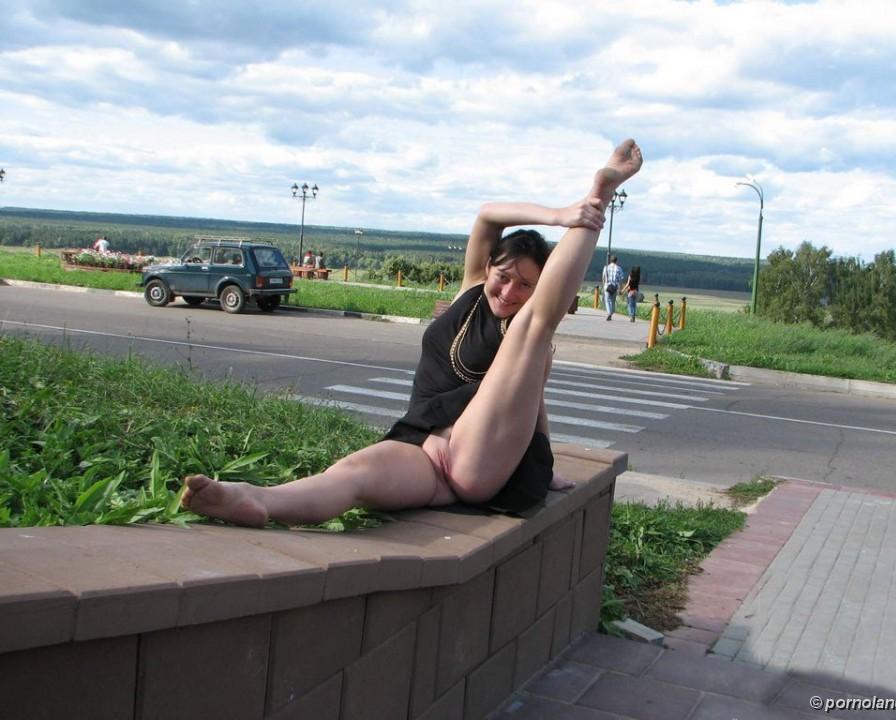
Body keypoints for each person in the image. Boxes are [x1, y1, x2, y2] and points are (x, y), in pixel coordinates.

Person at [181, 139, 643, 527]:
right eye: (505, 276)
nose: (510, 290)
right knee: (355, 472)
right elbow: (487, 216)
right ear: (488, 268)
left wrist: (593, 200)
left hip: (476, 464)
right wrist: (559, 215)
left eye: (527, 285)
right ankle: (256, 499)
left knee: (532, 328)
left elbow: (528, 402)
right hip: (422, 450)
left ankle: (597, 199)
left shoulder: (526, 331)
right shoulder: (471, 291)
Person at [601, 255, 624, 320]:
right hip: (615, 286)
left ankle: (609, 313)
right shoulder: (619, 268)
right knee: (613, 301)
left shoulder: (606, 267)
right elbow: (621, 279)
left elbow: (603, 277)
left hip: (607, 286)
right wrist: (620, 288)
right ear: (616, 261)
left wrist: (603, 286)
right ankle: (611, 312)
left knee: (607, 300)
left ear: (610, 260)